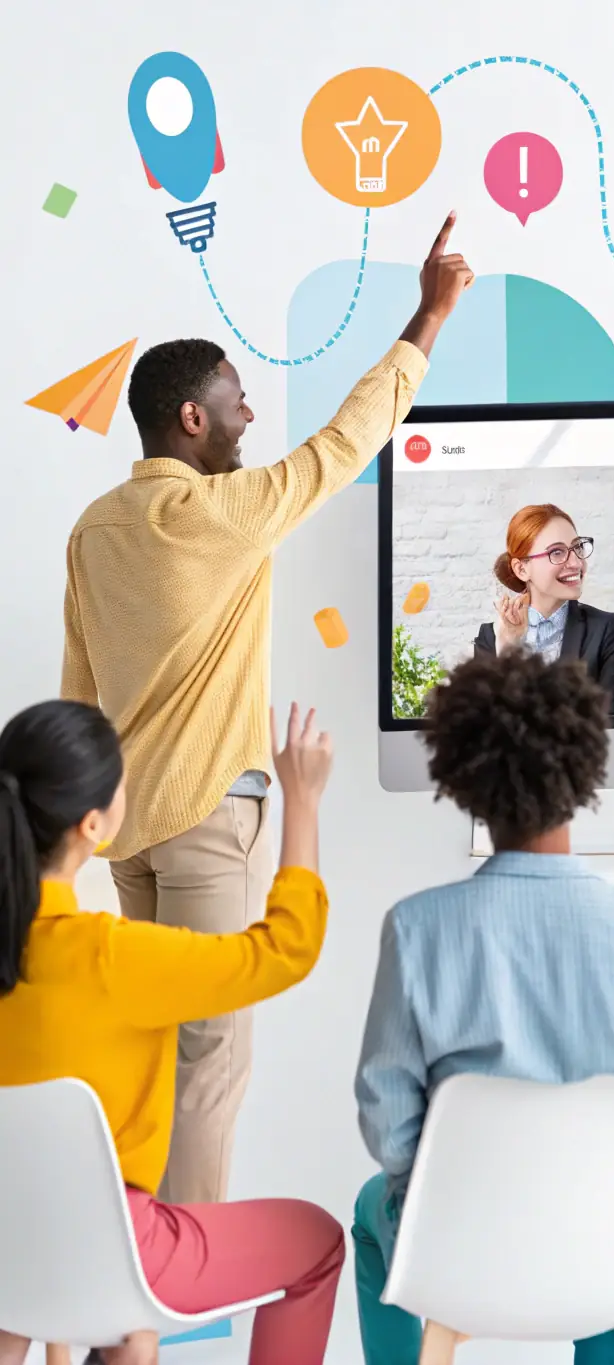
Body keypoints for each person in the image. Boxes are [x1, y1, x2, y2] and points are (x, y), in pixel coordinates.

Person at [59, 215, 474, 1206]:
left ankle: (129, 1271)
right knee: (210, 1064)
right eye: (237, 403)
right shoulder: (227, 514)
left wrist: (72, 844)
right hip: (206, 825)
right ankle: (174, 1289)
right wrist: (429, 314)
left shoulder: (93, 530)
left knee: (147, 1054)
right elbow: (346, 442)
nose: (250, 419)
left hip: (122, 834)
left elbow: (76, 692)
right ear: (191, 420)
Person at [352, 648, 614, 1365]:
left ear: (464, 781)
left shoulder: (417, 927)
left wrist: (426, 1187)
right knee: (606, 1228)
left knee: (372, 1211)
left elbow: (386, 1121)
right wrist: (613, 1194)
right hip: (610, 1252)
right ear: (586, 771)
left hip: (457, 1247)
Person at [0, 697, 345, 1365]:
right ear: (93, 823)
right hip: (122, 1251)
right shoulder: (113, 955)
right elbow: (284, 949)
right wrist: (301, 799)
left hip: (10, 1245)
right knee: (319, 1240)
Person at [474, 504, 614, 715]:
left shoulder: (609, 631)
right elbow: (485, 730)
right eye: (557, 552)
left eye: (578, 547)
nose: (577, 563)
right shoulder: (491, 638)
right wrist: (509, 648)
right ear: (522, 569)